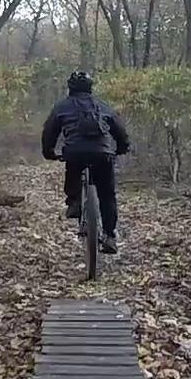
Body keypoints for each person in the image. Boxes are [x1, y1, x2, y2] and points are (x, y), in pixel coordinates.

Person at [41, 70, 130, 253]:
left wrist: (49, 152)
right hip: (102, 154)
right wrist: (121, 148)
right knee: (107, 195)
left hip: (75, 153)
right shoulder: (102, 106)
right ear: (90, 87)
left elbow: (49, 131)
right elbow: (120, 130)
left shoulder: (62, 106)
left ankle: (74, 201)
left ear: (70, 88)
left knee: (73, 168)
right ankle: (110, 236)